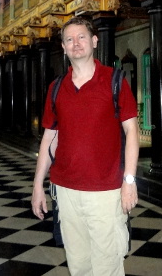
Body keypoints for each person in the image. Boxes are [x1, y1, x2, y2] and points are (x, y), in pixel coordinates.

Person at [32, 16, 139, 276]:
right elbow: (49, 138)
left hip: (105, 191)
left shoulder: (115, 81)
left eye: (81, 37)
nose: (75, 43)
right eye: (69, 39)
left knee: (108, 265)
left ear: (93, 41)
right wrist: (37, 186)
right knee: (78, 265)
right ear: (64, 47)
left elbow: (132, 131)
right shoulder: (56, 88)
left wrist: (129, 180)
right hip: (65, 191)